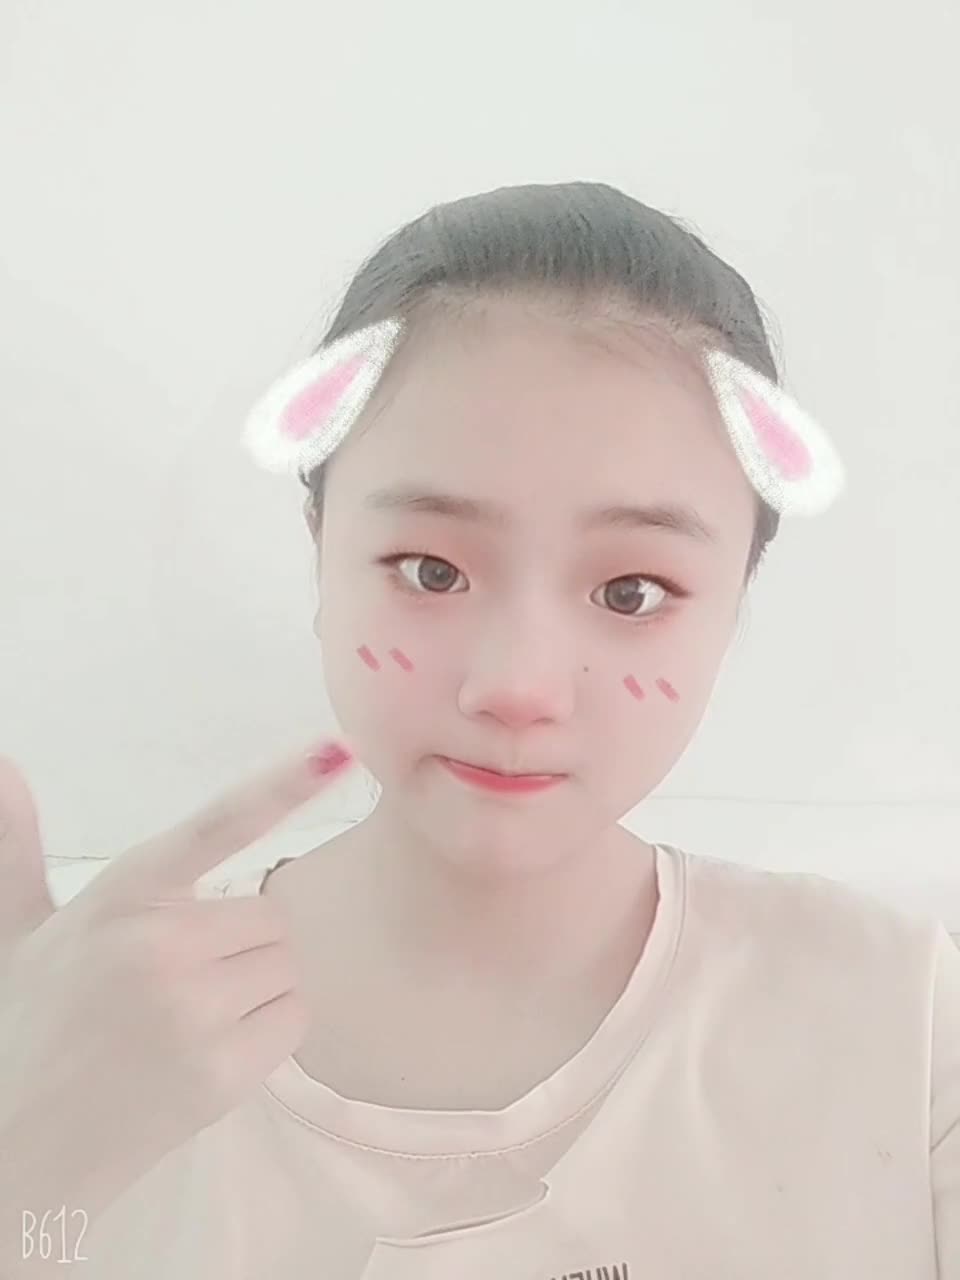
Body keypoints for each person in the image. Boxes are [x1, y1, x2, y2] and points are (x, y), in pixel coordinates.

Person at [2, 179, 958, 1277]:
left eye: (632, 592)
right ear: (321, 547)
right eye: (432, 570)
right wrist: (25, 1154)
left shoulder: (905, 1026)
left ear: (737, 596)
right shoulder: (86, 1018)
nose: (517, 686)